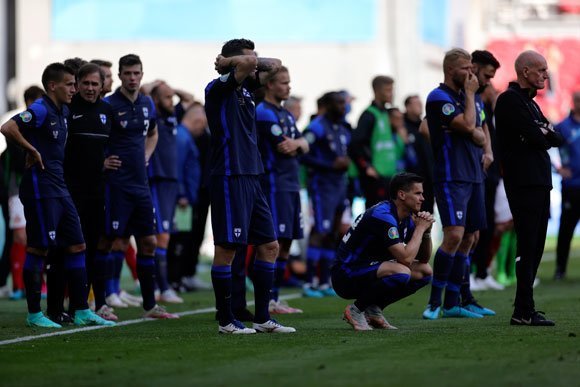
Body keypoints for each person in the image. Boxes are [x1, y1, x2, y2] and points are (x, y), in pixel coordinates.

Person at [0, 63, 114, 328]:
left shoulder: (63, 111)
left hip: (60, 188)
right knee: (39, 248)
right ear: (53, 86)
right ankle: (34, 313)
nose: (74, 89)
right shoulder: (40, 108)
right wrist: (32, 150)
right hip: (41, 190)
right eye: (70, 84)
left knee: (78, 245)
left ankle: (82, 310)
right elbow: (7, 127)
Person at [205, 38, 295, 334]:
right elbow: (247, 65)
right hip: (229, 175)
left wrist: (233, 59)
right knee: (228, 249)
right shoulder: (217, 87)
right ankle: (226, 319)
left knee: (269, 245)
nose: (255, 62)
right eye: (248, 58)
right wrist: (232, 63)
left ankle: (262, 317)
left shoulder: (246, 88)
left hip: (253, 175)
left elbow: (276, 64)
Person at [100, 54, 178, 319]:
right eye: (128, 73)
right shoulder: (109, 105)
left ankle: (149, 306)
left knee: (148, 241)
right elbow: (95, 139)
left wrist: (146, 154)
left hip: (141, 186)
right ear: (120, 75)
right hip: (116, 185)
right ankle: (102, 300)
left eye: (137, 73)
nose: (132, 78)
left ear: (142, 75)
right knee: (109, 241)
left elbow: (153, 132)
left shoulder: (147, 103)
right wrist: (102, 161)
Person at [423, 48, 494, 320]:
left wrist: (487, 148)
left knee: (470, 237)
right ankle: (433, 302)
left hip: (475, 174)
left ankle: (453, 303)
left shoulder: (469, 97)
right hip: (452, 176)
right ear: (451, 70)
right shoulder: (439, 97)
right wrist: (471, 126)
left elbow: (481, 126)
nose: (471, 73)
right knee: (453, 235)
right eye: (466, 68)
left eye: (472, 68)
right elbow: (467, 124)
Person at [495, 50, 563, 326]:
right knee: (528, 243)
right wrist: (541, 132)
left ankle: (524, 308)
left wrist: (542, 133)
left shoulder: (530, 103)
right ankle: (523, 310)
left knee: (534, 246)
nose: (546, 74)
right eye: (541, 70)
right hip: (524, 180)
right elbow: (539, 135)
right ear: (525, 71)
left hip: (538, 179)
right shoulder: (510, 100)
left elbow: (554, 136)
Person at [332, 172, 435, 331]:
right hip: (346, 274)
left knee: (425, 272)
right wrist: (420, 229)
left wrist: (426, 232)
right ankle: (356, 309)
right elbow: (406, 260)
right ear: (401, 195)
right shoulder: (383, 215)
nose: (422, 198)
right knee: (402, 272)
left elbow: (422, 258)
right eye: (418, 193)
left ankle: (374, 309)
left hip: (370, 269)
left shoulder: (406, 217)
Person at [64, 63, 117, 321]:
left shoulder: (107, 111)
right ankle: (70, 304)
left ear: (102, 85)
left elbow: (116, 146)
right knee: (73, 246)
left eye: (95, 84)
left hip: (98, 192)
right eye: (86, 83)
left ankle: (99, 303)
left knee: (96, 248)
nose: (90, 88)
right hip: (71, 191)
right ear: (78, 83)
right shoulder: (68, 110)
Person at [256, 66, 308, 313]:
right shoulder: (264, 113)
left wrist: (298, 143)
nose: (289, 87)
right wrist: (298, 144)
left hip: (290, 185)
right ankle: (267, 300)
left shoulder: (285, 115)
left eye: (289, 82)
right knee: (273, 243)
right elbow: (282, 146)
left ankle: (274, 298)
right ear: (270, 85)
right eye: (284, 83)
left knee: (286, 243)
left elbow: (301, 144)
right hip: (274, 185)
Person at [301, 92, 351, 298]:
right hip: (322, 186)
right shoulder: (317, 126)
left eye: (344, 103)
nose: (343, 107)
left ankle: (324, 282)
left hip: (340, 186)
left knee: (333, 234)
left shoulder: (343, 128)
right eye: (339, 103)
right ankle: (309, 281)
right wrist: (329, 164)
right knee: (320, 231)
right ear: (328, 106)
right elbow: (302, 152)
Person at [0, 86, 45, 300]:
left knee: (37, 236)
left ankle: (37, 284)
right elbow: (16, 161)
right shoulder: (16, 125)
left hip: (39, 187)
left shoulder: (42, 123)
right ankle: (18, 286)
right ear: (27, 101)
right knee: (20, 236)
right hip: (15, 190)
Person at [467, 50, 505, 292]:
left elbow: (486, 130)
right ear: (473, 67)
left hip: (487, 173)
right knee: (466, 229)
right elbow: (427, 128)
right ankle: (467, 274)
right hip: (464, 172)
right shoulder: (458, 96)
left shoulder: (481, 100)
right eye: (487, 76)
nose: (489, 82)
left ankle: (481, 272)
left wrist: (488, 150)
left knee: (485, 224)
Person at [148, 81, 185, 304]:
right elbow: (144, 94)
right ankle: (161, 287)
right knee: (160, 236)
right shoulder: (153, 115)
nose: (172, 101)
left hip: (171, 182)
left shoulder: (173, 116)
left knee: (165, 236)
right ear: (156, 100)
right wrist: (154, 86)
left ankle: (161, 286)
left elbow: (189, 99)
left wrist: (169, 89)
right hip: (157, 180)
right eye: (167, 97)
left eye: (172, 97)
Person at [351, 76, 404, 207]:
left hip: (389, 176)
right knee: (375, 215)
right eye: (387, 90)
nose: (391, 94)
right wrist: (366, 166)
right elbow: (356, 144)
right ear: (376, 91)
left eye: (392, 90)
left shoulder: (387, 114)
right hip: (375, 178)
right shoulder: (368, 115)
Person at [554, 91, 580, 280]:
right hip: (571, 186)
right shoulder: (563, 126)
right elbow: (545, 149)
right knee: (566, 228)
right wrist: (558, 168)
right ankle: (560, 269)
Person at [403, 95, 435, 213]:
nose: (420, 105)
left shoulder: (425, 126)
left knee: (427, 214)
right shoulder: (401, 127)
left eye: (420, 103)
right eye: (416, 103)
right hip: (409, 181)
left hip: (428, 180)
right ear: (407, 107)